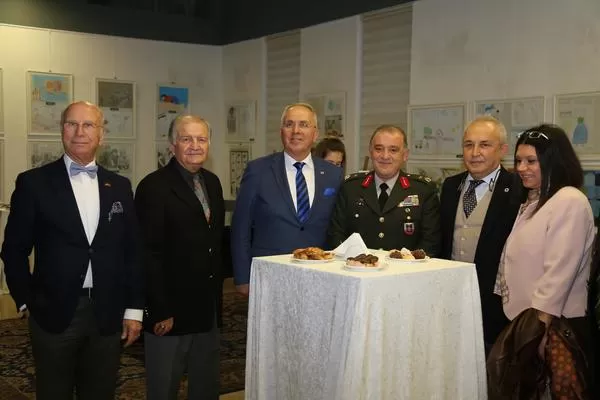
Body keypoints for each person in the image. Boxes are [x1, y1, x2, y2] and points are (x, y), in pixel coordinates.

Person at [0, 101, 143, 400]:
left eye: (88, 125)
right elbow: (14, 249)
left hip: (107, 312)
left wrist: (133, 309)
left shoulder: (119, 186)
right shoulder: (33, 183)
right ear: (62, 130)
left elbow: (132, 252)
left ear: (101, 134)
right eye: (72, 124)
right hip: (52, 311)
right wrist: (25, 301)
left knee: (100, 392)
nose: (80, 132)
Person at [489, 124, 596, 397]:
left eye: (531, 161)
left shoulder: (569, 200)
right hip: (527, 322)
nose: (521, 168)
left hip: (554, 325)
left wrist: (540, 330)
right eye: (518, 161)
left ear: (553, 162)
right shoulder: (534, 201)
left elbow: (559, 272)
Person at [135, 115, 224, 399]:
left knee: (206, 386)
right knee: (164, 387)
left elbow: (213, 243)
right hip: (170, 312)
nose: (195, 145)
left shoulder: (213, 183)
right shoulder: (153, 187)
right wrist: (160, 309)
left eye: (201, 139)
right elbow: (147, 253)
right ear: (172, 144)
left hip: (206, 309)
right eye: (187, 139)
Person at [231, 103, 343, 296]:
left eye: (303, 125)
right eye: (289, 124)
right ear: (281, 131)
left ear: (315, 134)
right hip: (269, 275)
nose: (296, 131)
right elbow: (240, 227)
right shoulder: (258, 171)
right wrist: (242, 277)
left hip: (320, 275)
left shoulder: (333, 174)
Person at [439, 116, 523, 350]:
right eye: (469, 145)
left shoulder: (517, 189)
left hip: (494, 307)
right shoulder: (450, 186)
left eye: (484, 145)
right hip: (451, 298)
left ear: (502, 150)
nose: (475, 153)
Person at [327, 125, 440, 255]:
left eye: (393, 150)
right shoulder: (350, 188)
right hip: (358, 265)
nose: (385, 156)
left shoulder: (423, 190)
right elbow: (336, 235)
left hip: (406, 267)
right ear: (371, 152)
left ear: (405, 155)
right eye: (378, 149)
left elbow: (431, 242)